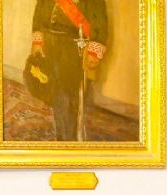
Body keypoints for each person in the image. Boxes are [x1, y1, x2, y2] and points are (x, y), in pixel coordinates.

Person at [30, 0, 108, 141]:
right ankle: (62, 132)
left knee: (68, 95)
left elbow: (100, 19)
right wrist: (37, 41)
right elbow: (39, 11)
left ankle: (68, 138)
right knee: (53, 91)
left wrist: (94, 52)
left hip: (72, 47)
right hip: (49, 42)